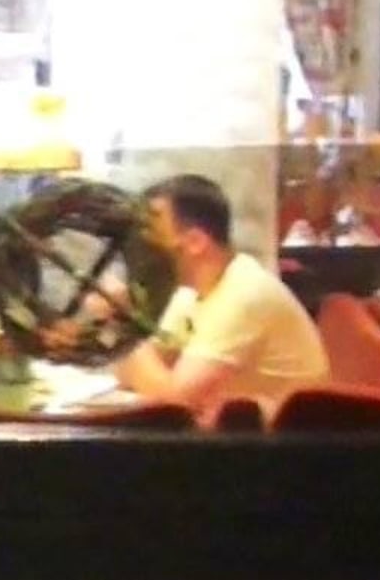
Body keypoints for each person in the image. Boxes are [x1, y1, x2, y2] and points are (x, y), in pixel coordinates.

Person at [109, 175, 329, 423]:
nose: (141, 246)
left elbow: (175, 403)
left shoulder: (244, 294)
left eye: (152, 234)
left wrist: (124, 322)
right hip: (233, 432)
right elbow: (135, 374)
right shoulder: (190, 293)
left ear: (195, 242)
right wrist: (117, 322)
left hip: (286, 441)